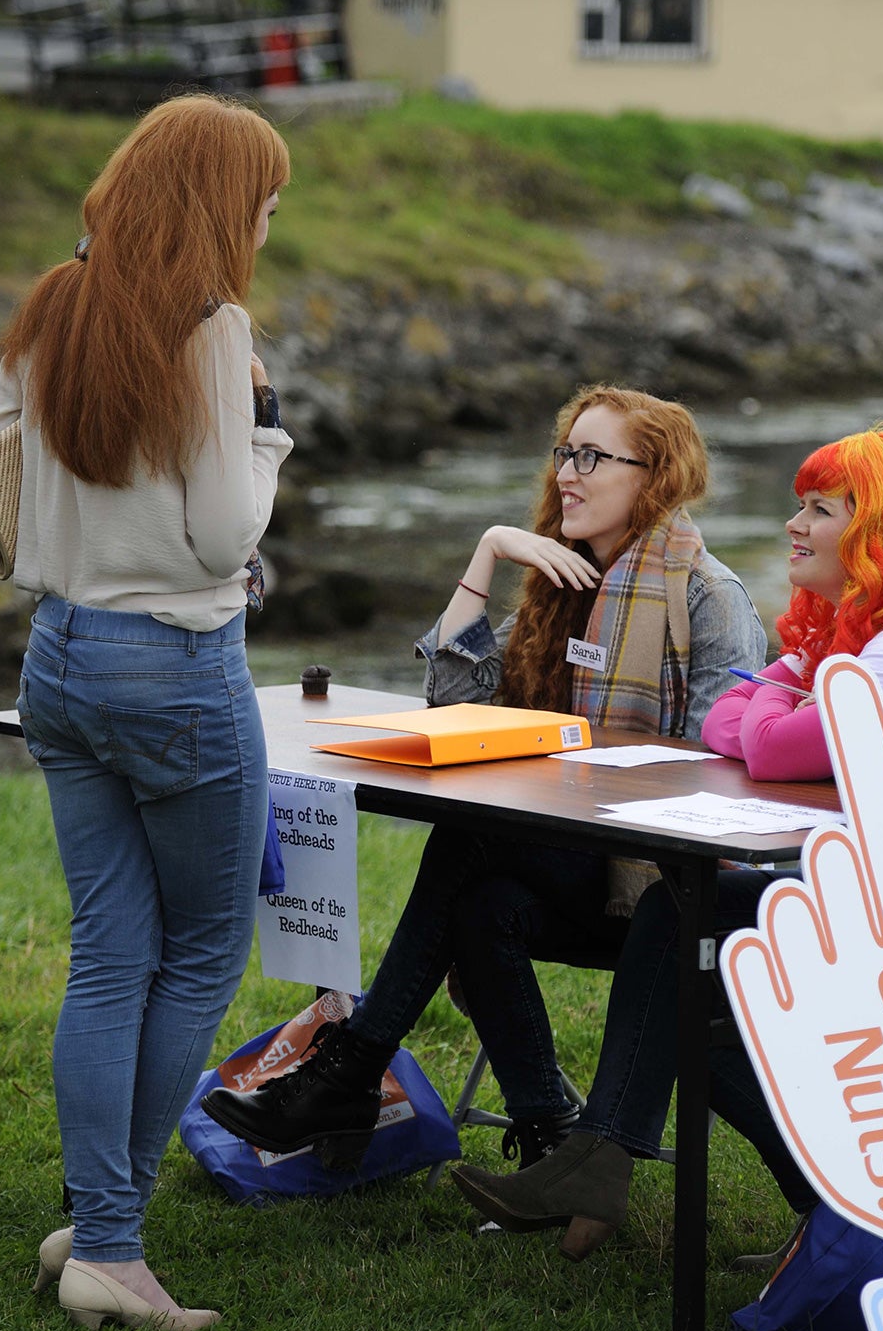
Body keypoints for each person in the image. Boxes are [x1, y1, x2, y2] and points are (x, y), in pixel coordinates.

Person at [448, 427, 883, 1259]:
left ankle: (839, 1220)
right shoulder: (861, 626)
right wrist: (778, 712)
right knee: (679, 923)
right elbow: (725, 721)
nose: (793, 526)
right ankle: (628, 1165)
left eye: (820, 509)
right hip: (876, 911)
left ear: (879, 529)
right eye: (798, 505)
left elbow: (762, 742)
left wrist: (776, 714)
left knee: (699, 981)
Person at [201, 386, 767, 1180]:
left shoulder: (708, 597)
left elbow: (723, 779)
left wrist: (572, 778)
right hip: (576, 866)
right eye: (566, 452)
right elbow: (453, 707)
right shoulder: (561, 584)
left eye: (595, 457)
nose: (569, 473)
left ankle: (351, 1072)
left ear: (656, 478)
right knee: (480, 899)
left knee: (471, 842)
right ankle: (547, 1132)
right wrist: (488, 554)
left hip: (663, 896)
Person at [0, 94, 291, 1331]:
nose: (270, 220)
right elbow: (225, 533)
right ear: (220, 202)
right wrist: (264, 435)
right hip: (172, 660)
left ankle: (96, 1221)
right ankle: (109, 1239)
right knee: (204, 950)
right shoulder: (213, 328)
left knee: (111, 952)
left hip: (55, 653)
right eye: (264, 199)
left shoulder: (52, 304)